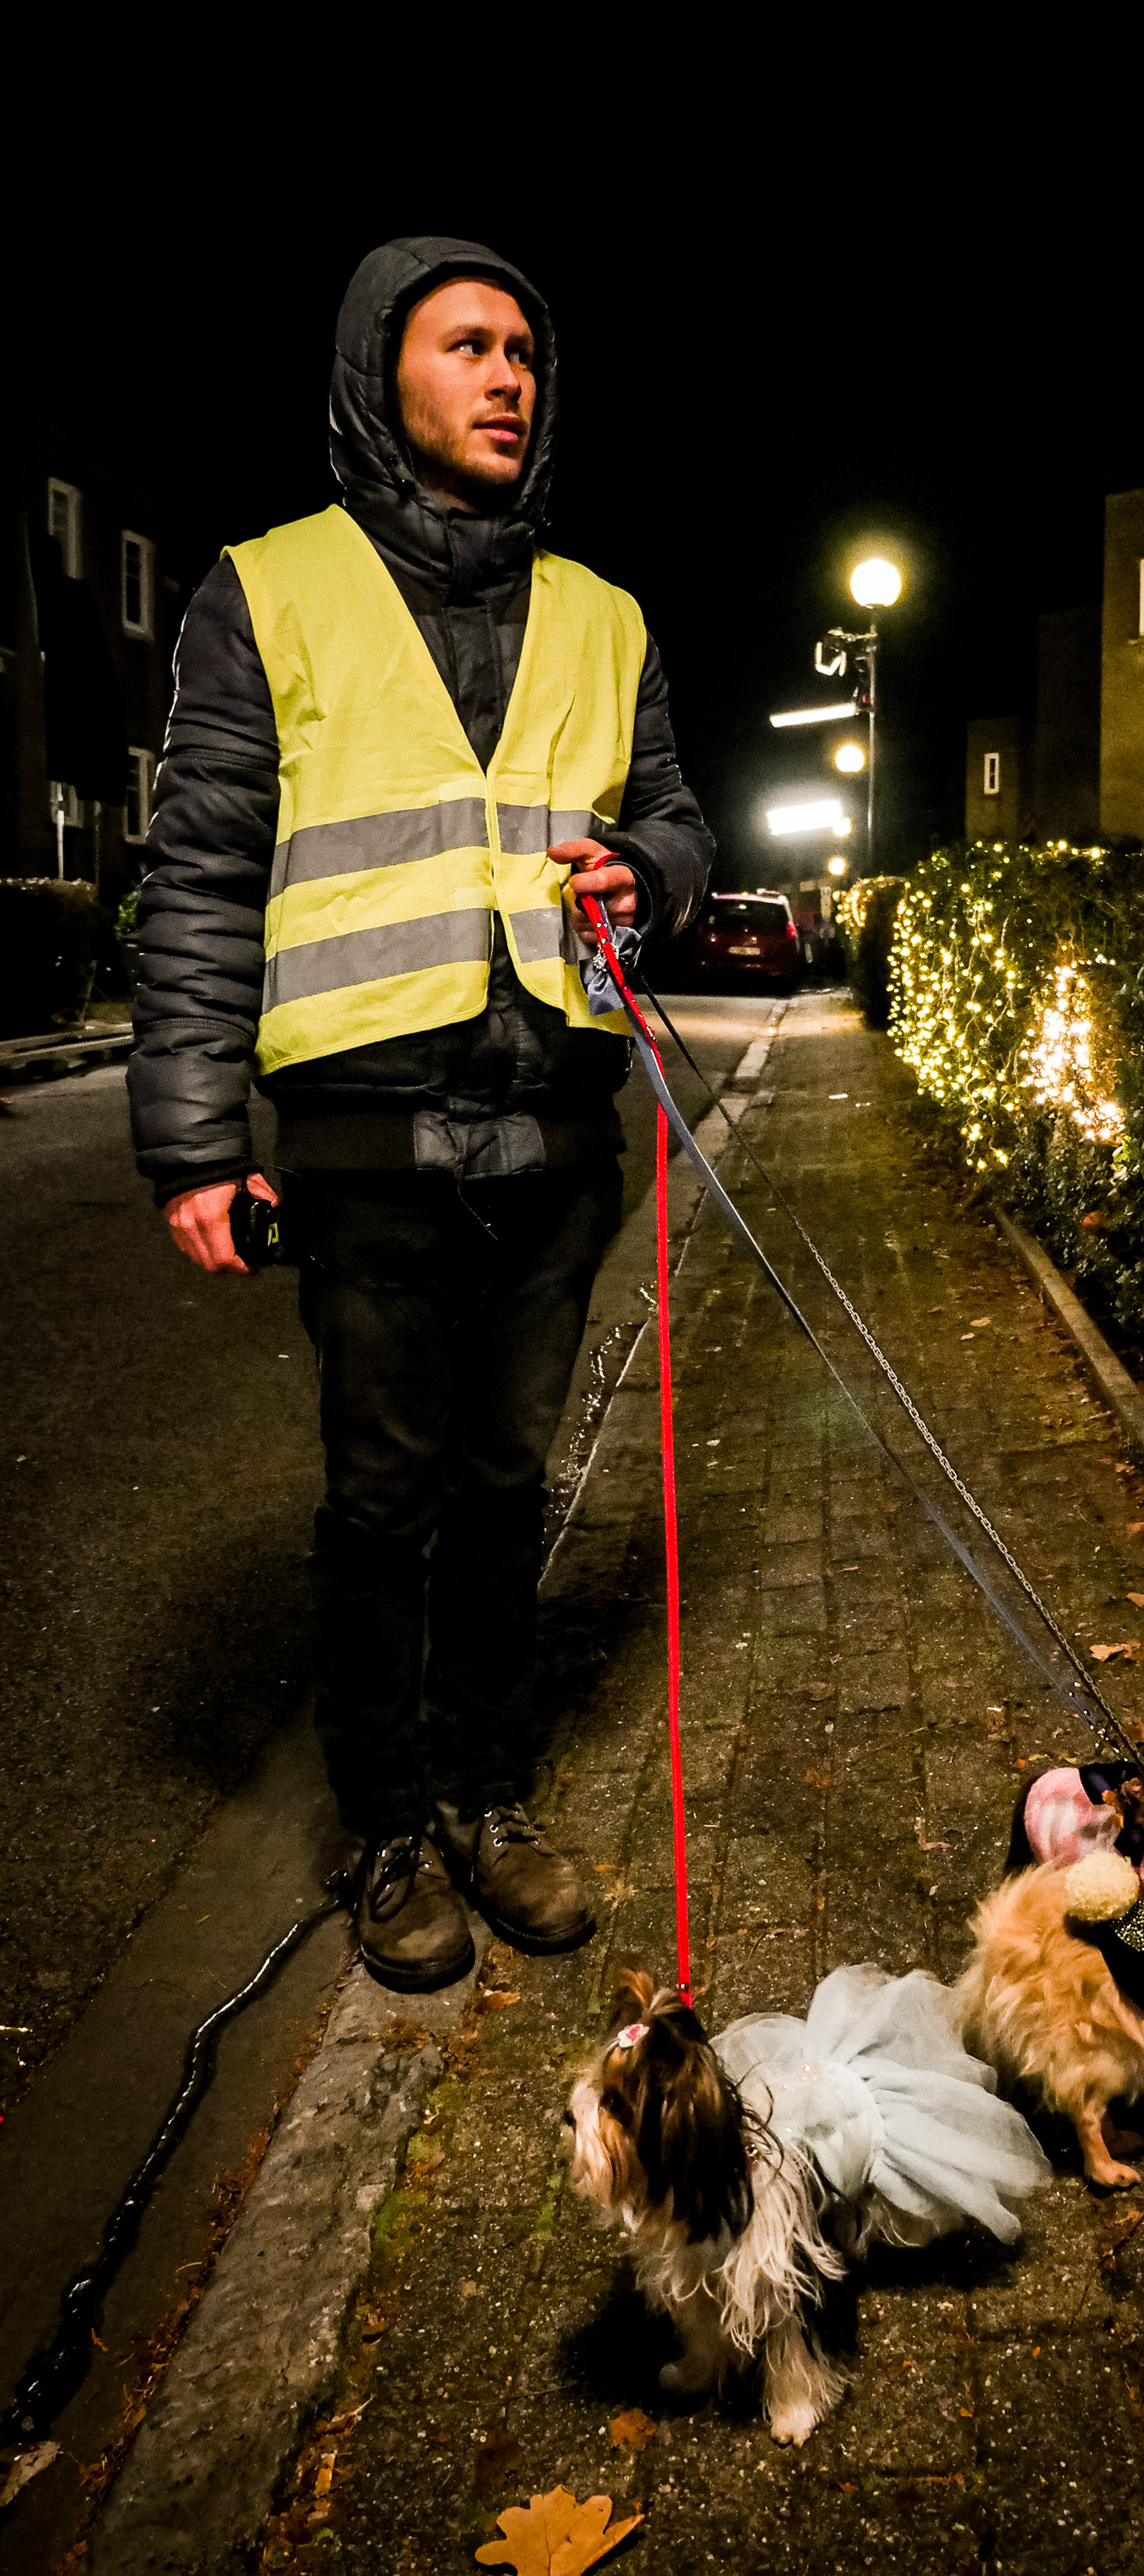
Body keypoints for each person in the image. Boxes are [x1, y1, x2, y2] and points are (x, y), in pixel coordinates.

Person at [128, 236, 713, 1991]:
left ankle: (485, 1789)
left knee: (506, 1485)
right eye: (467, 344)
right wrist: (193, 1137)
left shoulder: (607, 615)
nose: (507, 375)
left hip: (554, 1132)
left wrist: (655, 868)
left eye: (525, 348)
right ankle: (388, 1826)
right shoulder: (270, 589)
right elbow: (201, 871)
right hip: (366, 1135)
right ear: (380, 373)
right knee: (383, 1499)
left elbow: (677, 816)